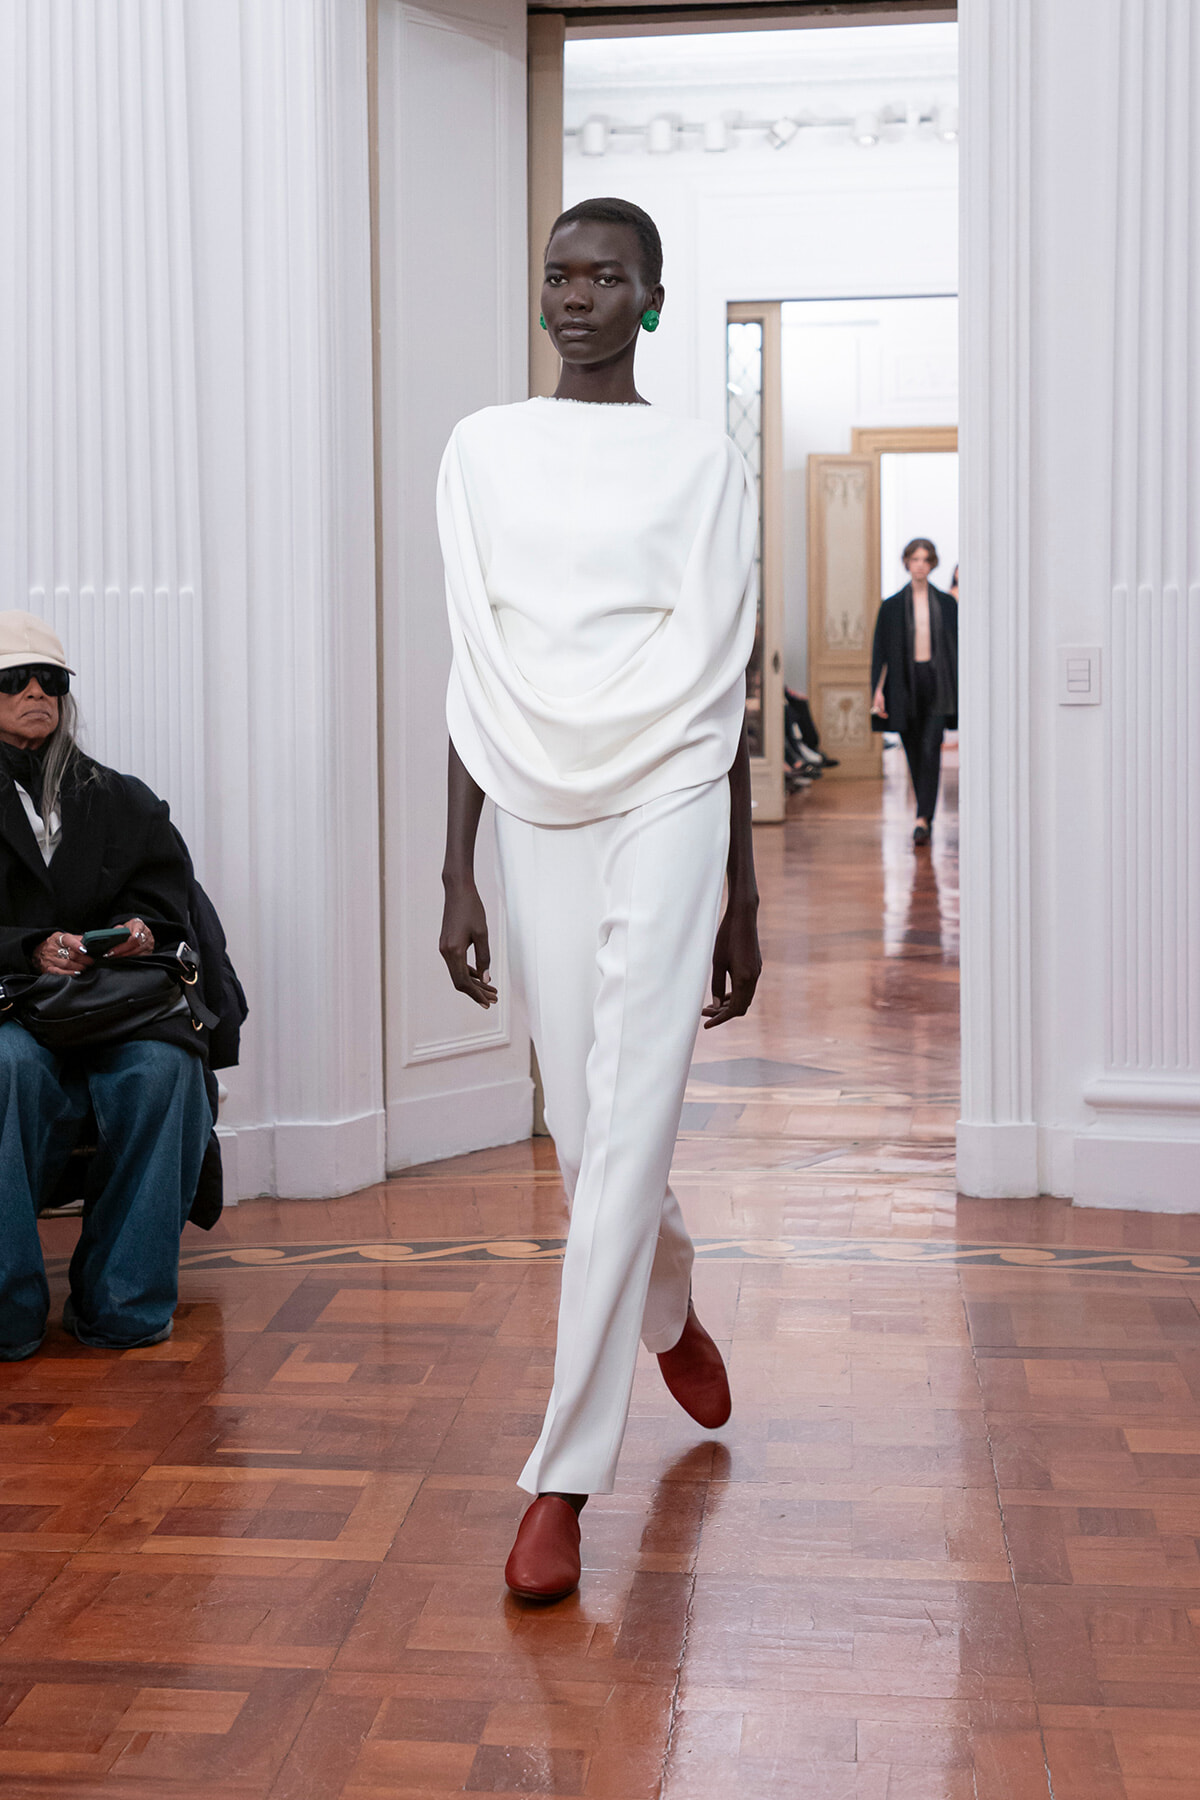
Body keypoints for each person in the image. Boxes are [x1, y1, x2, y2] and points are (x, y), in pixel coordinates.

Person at [438, 197, 761, 1603]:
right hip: (532, 795)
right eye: (558, 274)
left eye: (606, 277)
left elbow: (722, 676)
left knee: (631, 1109)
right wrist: (456, 863)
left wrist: (743, 891)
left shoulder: (703, 462)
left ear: (653, 301)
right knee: (586, 1118)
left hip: (672, 791)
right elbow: (473, 665)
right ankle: (669, 1299)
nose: (576, 296)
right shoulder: (481, 449)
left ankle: (562, 1476)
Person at [0, 612, 213, 1359]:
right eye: (14, 681)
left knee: (165, 1066)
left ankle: (124, 1304)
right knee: (9, 1068)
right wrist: (30, 949)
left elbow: (169, 898)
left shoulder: (119, 797)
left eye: (50, 681)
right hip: (11, 1006)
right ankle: (6, 1313)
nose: (35, 693)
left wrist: (143, 930)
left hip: (111, 1002)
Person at [869, 538, 958, 846]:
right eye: (915, 558)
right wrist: (876, 692)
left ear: (932, 564)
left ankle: (923, 818)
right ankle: (924, 813)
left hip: (938, 684)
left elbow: (957, 649)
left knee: (932, 748)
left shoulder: (947, 605)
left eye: (925, 559)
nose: (920, 564)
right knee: (915, 752)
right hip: (904, 686)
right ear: (906, 562)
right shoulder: (891, 606)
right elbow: (879, 652)